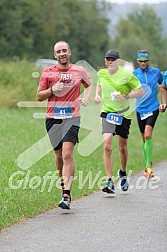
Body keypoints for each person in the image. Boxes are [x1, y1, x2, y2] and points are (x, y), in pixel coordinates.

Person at [37, 40, 93, 209]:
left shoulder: (79, 70)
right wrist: (53, 90)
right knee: (59, 156)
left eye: (64, 51)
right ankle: (64, 185)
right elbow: (39, 96)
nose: (62, 54)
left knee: (68, 155)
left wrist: (86, 96)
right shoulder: (48, 72)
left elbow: (89, 85)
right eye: (58, 51)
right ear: (55, 55)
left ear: (70, 53)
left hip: (72, 117)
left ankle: (66, 194)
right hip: (52, 117)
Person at [94, 49, 144, 194]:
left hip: (123, 115)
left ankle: (122, 172)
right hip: (107, 112)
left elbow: (140, 91)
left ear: (118, 61)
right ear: (105, 61)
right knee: (107, 146)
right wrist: (97, 95)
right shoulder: (101, 73)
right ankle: (109, 180)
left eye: (113, 60)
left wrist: (126, 95)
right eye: (108, 59)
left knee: (122, 147)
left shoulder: (127, 75)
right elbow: (98, 84)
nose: (110, 62)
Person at [133, 49, 163, 178]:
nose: (143, 63)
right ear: (138, 61)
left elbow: (163, 86)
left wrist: (163, 102)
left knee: (147, 135)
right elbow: (129, 89)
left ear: (148, 61)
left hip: (153, 107)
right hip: (140, 109)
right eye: (141, 61)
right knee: (143, 138)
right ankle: (147, 163)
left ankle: (149, 168)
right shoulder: (134, 74)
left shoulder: (156, 73)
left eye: (145, 61)